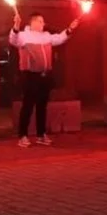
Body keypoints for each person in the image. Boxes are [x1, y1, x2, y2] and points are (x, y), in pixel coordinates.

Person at [9, 12, 81, 147]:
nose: (43, 24)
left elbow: (60, 38)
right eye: (41, 21)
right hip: (30, 75)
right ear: (33, 23)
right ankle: (22, 136)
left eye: (43, 21)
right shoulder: (23, 36)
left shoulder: (46, 36)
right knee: (28, 106)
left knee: (42, 106)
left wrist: (70, 28)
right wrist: (16, 25)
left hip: (44, 75)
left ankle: (41, 134)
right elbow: (13, 40)